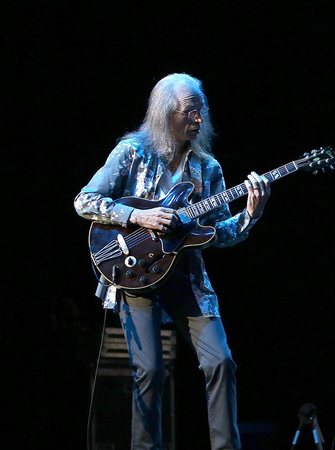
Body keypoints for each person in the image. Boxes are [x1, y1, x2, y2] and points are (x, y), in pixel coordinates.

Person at [75, 73, 270, 450]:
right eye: (189, 111)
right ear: (166, 113)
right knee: (148, 371)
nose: (199, 118)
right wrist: (138, 217)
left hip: (187, 278)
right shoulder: (132, 152)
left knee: (221, 363)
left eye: (201, 110)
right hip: (136, 272)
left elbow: (219, 234)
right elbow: (84, 201)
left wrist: (251, 214)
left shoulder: (208, 168)